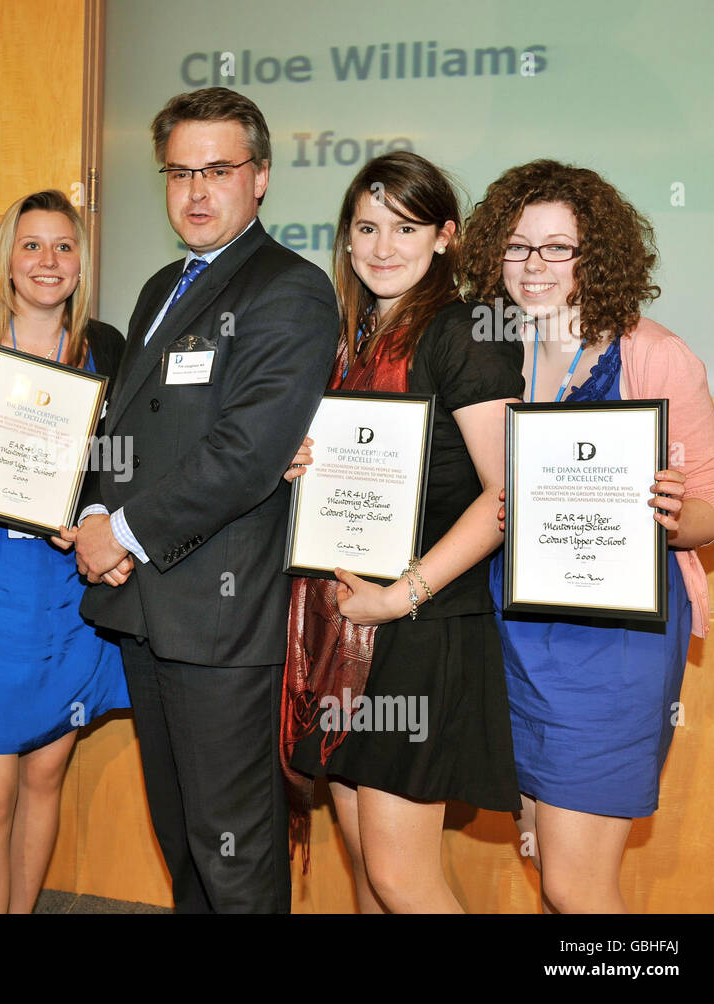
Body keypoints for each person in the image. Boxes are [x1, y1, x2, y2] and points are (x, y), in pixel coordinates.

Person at [70, 87, 338, 913]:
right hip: (148, 608)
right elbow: (124, 426)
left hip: (221, 618)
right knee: (184, 836)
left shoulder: (288, 288)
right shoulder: (161, 286)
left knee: (235, 853)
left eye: (217, 169)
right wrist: (89, 512)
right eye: (179, 171)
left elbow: (246, 453)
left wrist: (123, 531)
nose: (195, 191)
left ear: (258, 178)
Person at [463, 160, 714, 913]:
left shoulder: (654, 353)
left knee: (578, 886)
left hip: (612, 645)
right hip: (511, 632)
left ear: (596, 257)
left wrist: (683, 520)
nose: (534, 266)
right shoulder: (490, 349)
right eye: (518, 247)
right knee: (549, 864)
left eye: (558, 248)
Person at [282, 151, 523, 913]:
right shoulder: (347, 346)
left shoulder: (463, 332)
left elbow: (507, 494)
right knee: (367, 873)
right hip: (348, 627)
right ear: (346, 239)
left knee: (400, 879)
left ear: (446, 236)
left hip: (421, 625)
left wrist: (399, 597)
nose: (384, 246)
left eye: (406, 227)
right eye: (367, 227)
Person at [0, 190, 130, 913]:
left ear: (81, 263)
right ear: (7, 258)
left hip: (70, 592)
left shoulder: (110, 348)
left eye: (64, 246)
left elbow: (120, 467)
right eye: (32, 244)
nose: (48, 261)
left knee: (44, 781)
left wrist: (98, 513)